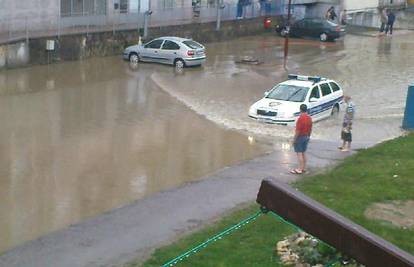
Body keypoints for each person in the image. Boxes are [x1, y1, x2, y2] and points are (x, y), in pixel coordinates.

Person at [290, 104, 312, 174]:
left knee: (299, 154)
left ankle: (299, 169)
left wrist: (294, 140)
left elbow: (298, 131)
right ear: (306, 109)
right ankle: (304, 168)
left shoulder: (300, 119)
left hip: (300, 137)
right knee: (303, 152)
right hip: (306, 136)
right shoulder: (309, 118)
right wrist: (309, 136)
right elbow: (310, 129)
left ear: (300, 110)